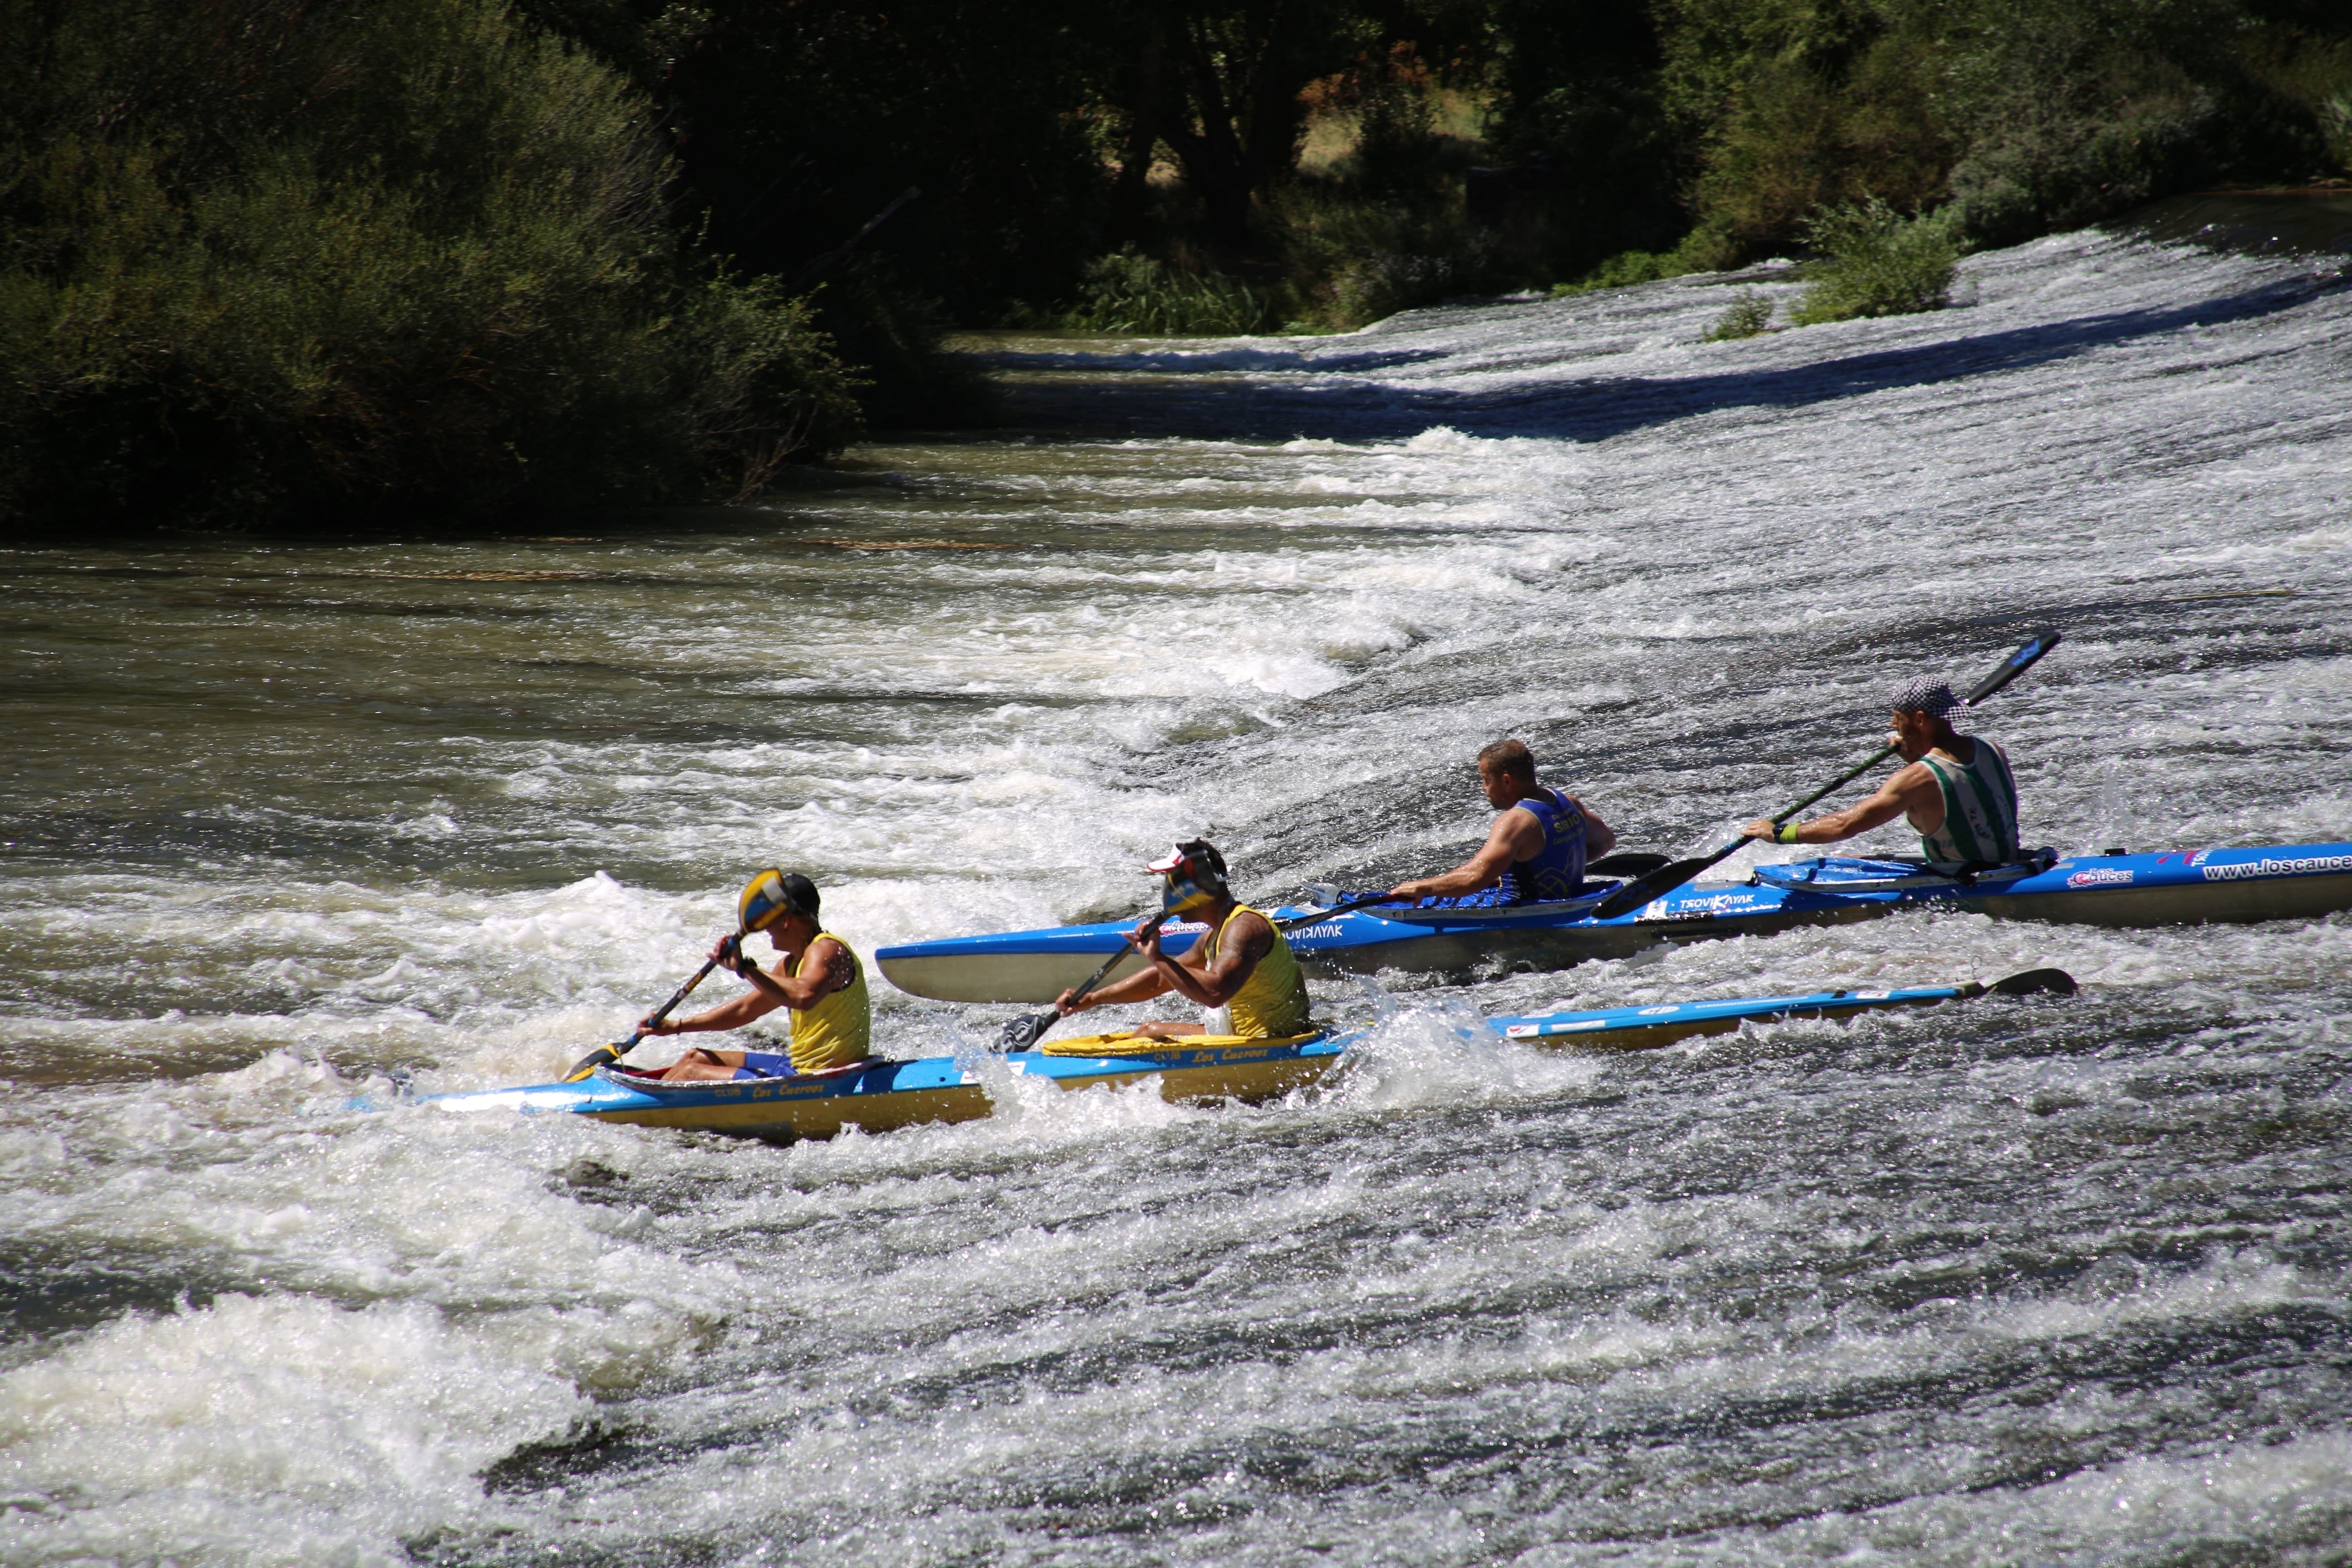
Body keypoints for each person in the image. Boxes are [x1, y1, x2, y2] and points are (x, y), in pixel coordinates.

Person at [1053, 840, 1313, 1041]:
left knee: (1149, 1032)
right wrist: (1095, 998)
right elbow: (1160, 979)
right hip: (1248, 1038)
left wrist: (1157, 956)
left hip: (1272, 1044)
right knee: (1149, 1030)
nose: (1168, 889)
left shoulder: (1244, 928)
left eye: (1172, 880)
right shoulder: (1215, 934)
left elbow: (1214, 993)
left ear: (1195, 886)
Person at [1743, 676, 2020, 864]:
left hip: (1966, 878)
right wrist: (1916, 759)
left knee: (1841, 859)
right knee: (1849, 858)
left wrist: (1779, 834)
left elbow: (1845, 825)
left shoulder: (1914, 780)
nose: (1892, 724)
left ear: (1919, 720)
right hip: (2010, 863)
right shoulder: (1991, 749)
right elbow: (1954, 786)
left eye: (1898, 717)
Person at [640, 869, 874, 1080]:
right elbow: (744, 1011)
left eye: (767, 923)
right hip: (797, 1066)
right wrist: (676, 1026)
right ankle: (645, 1100)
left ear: (785, 921)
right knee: (695, 1058)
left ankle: (641, 1113)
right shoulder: (791, 964)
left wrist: (745, 968)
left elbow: (804, 996)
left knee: (692, 1074)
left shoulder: (827, 950)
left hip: (822, 1077)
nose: (765, 930)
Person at [1387, 739, 1617, 904]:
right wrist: (1549, 869)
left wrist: (1422, 887)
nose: (1484, 788)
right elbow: (1606, 842)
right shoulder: (1568, 802)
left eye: (1486, 780)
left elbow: (1474, 878)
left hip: (1526, 912)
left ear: (1506, 781)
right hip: (1572, 901)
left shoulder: (1515, 822)